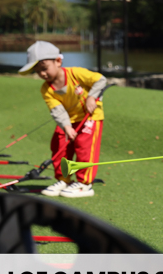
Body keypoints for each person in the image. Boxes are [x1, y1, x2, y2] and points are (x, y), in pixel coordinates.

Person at [19, 41, 106, 198]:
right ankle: (64, 180)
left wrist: (91, 97)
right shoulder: (46, 89)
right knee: (59, 144)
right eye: (37, 71)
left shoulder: (75, 73)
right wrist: (66, 127)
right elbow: (57, 110)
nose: (42, 74)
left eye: (44, 68)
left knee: (84, 146)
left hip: (90, 116)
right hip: (69, 121)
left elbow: (100, 80)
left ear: (58, 61)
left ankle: (85, 184)